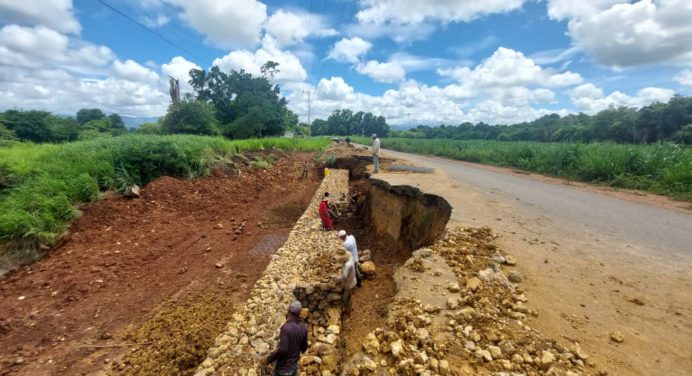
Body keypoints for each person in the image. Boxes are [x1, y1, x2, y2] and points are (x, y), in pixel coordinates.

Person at [264, 300, 309, 376]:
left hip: (283, 369)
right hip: (294, 366)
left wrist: (269, 360)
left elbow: (283, 349)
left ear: (289, 312)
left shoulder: (286, 328)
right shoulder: (304, 327)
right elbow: (304, 347)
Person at [333, 249, 357, 316]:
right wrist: (339, 266)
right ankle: (350, 308)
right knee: (349, 297)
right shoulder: (350, 257)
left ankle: (348, 312)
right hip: (352, 280)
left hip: (349, 284)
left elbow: (344, 277)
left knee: (345, 299)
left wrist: (335, 277)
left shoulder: (347, 265)